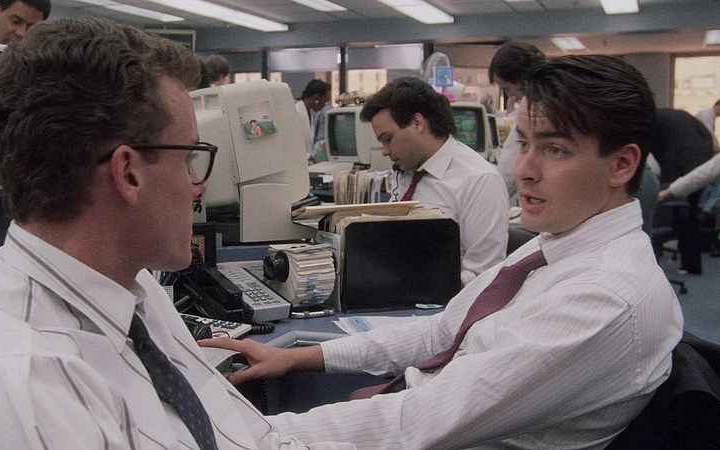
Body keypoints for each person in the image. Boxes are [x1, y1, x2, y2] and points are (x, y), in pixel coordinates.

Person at [0, 16, 353, 450]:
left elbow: (246, 438)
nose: (198, 186)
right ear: (128, 173)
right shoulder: (19, 391)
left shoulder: (133, 292)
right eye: (188, 159)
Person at [203, 55, 684, 449]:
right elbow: (441, 330)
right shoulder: (558, 243)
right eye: (524, 144)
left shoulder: (603, 297)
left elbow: (417, 424)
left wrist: (242, 436)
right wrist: (301, 358)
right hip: (417, 405)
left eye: (555, 150)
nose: (524, 170)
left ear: (622, 165)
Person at [360, 76, 508, 286]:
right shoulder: (406, 170)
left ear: (417, 123)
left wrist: (424, 285)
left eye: (388, 139)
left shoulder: (479, 181)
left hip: (447, 299)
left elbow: (483, 277)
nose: (385, 151)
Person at [652, 107, 715, 274]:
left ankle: (687, 263)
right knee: (689, 214)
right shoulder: (670, 115)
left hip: (684, 166)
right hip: (700, 159)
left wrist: (669, 190)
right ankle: (691, 263)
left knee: (683, 216)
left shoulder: (652, 120)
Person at [488, 40, 547, 196]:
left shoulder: (534, 112)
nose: (510, 95)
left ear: (523, 80)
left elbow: (505, 178)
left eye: (507, 88)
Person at [295, 79, 331, 162]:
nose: (324, 106)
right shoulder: (296, 112)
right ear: (316, 99)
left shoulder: (310, 113)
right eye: (324, 102)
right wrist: (312, 158)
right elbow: (292, 145)